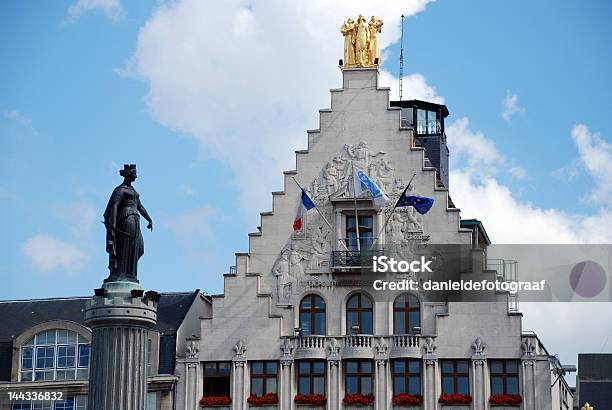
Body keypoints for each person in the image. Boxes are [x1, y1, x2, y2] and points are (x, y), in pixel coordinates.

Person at [103, 164, 153, 282]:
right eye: (134, 173)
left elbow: (140, 206)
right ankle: (120, 274)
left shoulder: (133, 191)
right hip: (126, 219)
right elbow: (114, 206)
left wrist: (149, 219)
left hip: (135, 220)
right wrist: (113, 223)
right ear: (128, 174)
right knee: (124, 246)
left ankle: (130, 274)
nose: (136, 176)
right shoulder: (120, 190)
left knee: (138, 248)